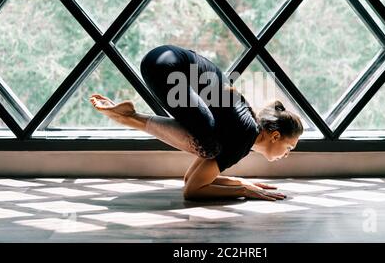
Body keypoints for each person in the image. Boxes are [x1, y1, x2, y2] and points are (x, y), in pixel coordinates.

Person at [89, 45, 303, 201]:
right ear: (275, 136)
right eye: (289, 147)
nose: (287, 154)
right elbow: (192, 191)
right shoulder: (243, 139)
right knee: (209, 146)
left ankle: (127, 116)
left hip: (162, 59)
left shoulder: (243, 130)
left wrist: (241, 182)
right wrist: (244, 191)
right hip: (168, 68)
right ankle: (129, 117)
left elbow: (190, 178)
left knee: (209, 144)